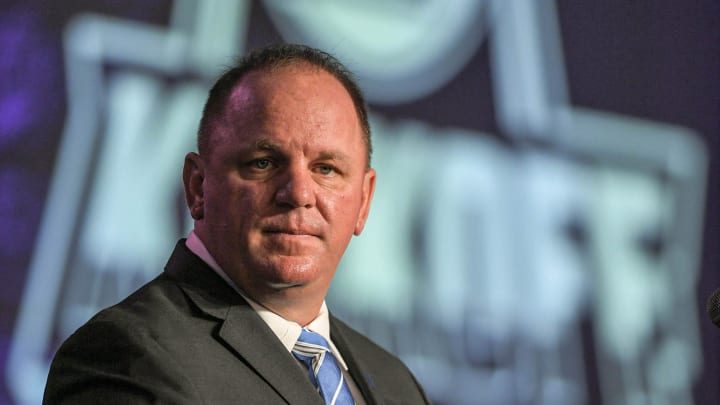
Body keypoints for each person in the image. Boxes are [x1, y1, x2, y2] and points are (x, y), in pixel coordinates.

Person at [43, 44, 431, 404]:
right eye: (263, 162)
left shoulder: (397, 384)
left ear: (363, 201)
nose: (298, 193)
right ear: (198, 186)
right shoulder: (124, 356)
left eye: (326, 169)